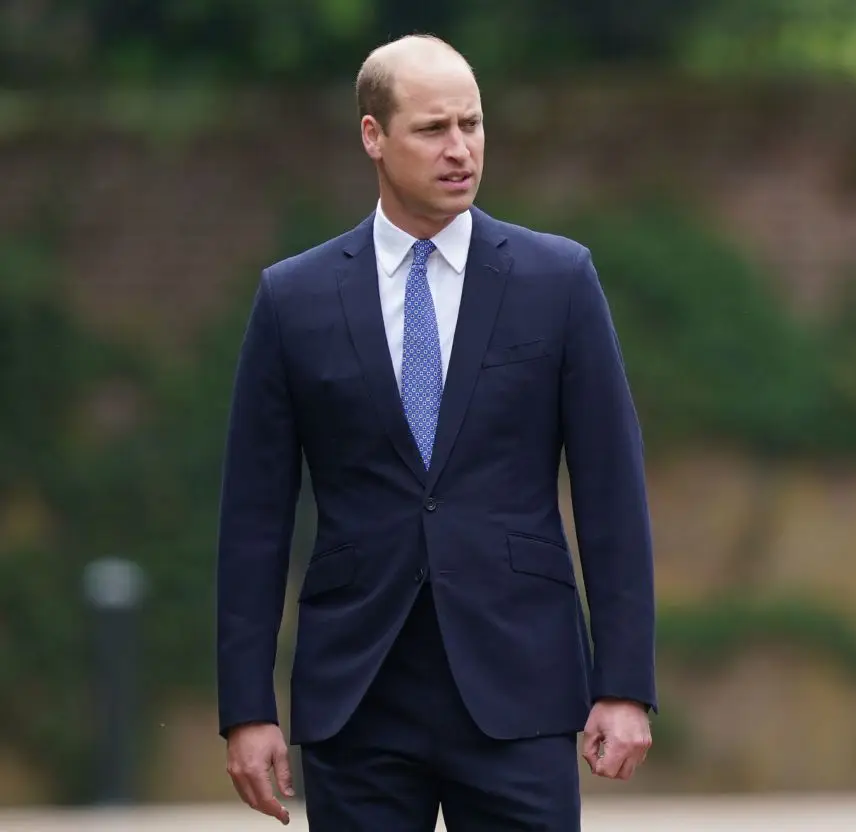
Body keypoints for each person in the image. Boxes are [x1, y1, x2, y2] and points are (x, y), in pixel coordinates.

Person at [215, 34, 657, 830]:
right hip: (358, 692)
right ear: (372, 137)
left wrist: (623, 686)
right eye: (432, 129)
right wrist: (246, 708)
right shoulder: (294, 299)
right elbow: (253, 519)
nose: (460, 150)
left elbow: (612, 494)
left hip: (521, 685)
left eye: (473, 125)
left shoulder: (559, 281)